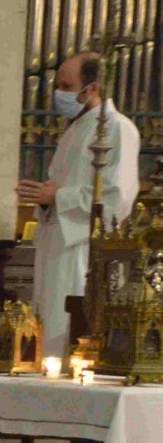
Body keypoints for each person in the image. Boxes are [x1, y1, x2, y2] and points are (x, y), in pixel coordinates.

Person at [16, 51, 140, 358]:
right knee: (46, 334)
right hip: (56, 244)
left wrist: (58, 197)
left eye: (68, 87)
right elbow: (62, 188)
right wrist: (46, 200)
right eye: (58, 86)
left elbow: (117, 198)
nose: (60, 94)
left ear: (93, 88)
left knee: (71, 338)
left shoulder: (117, 129)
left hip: (84, 252)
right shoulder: (74, 129)